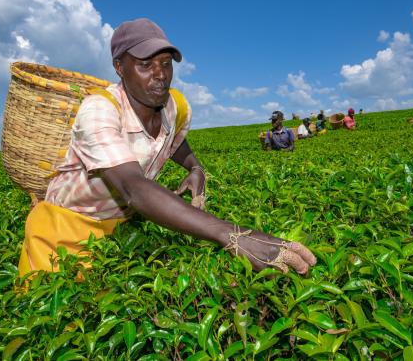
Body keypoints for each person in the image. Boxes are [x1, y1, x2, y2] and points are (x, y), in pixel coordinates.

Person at [18, 18, 315, 278]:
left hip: (122, 229)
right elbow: (133, 188)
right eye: (145, 65)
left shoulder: (175, 106)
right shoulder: (99, 110)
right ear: (120, 67)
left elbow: (171, 139)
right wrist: (234, 236)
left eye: (165, 64)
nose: (159, 74)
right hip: (64, 232)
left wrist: (195, 167)